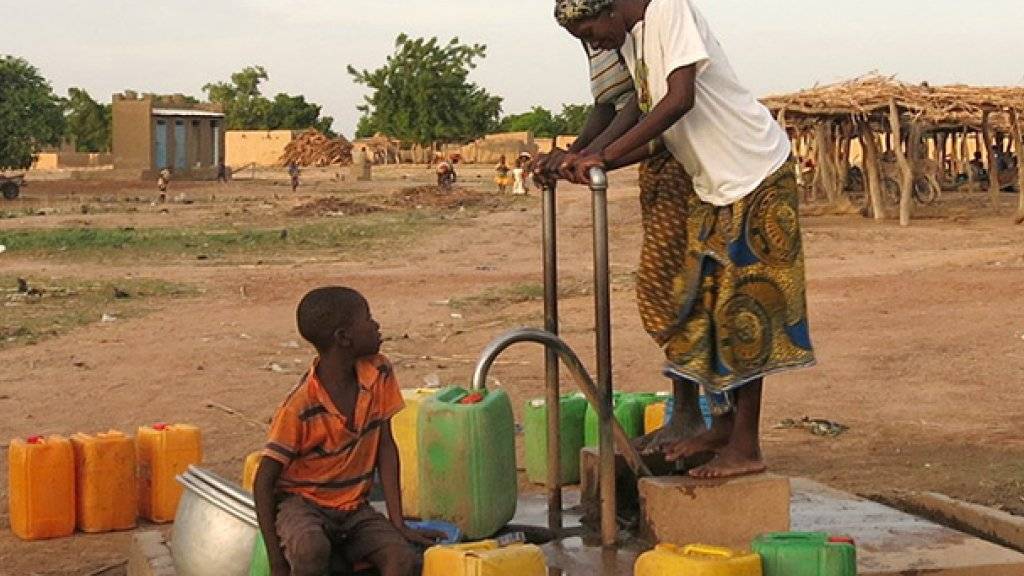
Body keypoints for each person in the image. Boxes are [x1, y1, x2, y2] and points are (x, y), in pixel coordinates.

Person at [553, 0, 816, 478]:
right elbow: (642, 106)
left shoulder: (668, 9)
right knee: (706, 308)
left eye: (592, 31)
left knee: (747, 314)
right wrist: (594, 157)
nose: (595, 44)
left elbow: (679, 99)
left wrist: (604, 154)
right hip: (713, 184)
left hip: (753, 171)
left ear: (610, 7)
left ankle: (747, 447)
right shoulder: (635, 37)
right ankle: (724, 425)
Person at [535, 43, 710, 458]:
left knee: (669, 293)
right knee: (672, 294)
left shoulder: (628, 26)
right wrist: (575, 152)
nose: (588, 38)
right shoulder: (593, 31)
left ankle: (695, 415)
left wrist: (599, 155)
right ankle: (693, 413)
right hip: (655, 163)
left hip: (679, 161)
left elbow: (641, 102)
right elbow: (606, 105)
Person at [254, 287, 440, 576]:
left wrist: (398, 522)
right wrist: (276, 561)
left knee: (401, 558)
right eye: (368, 319)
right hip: (303, 504)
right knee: (310, 547)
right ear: (344, 338)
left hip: (354, 508)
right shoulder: (301, 406)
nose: (376, 325)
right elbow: (263, 481)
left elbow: (385, 447)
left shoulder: (379, 373)